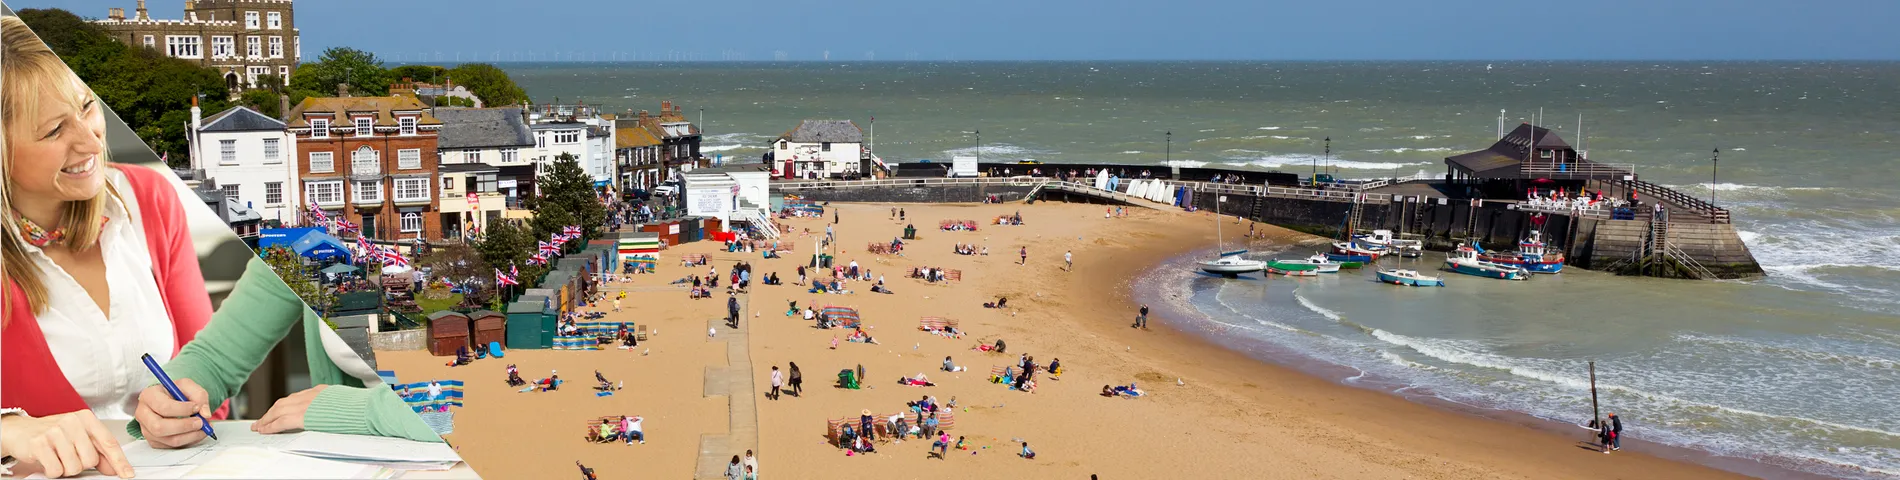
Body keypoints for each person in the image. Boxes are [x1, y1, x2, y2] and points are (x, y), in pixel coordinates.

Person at [0, 22, 223, 476]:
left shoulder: (150, 197)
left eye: (86, 106)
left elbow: (206, 370)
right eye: (53, 131)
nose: (90, 141)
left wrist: (189, 409)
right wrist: (9, 431)